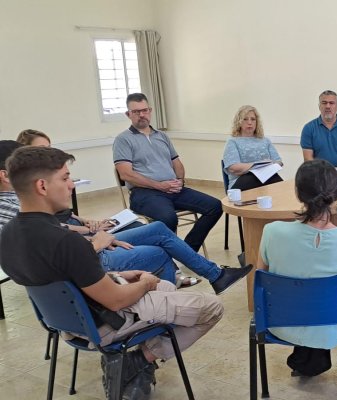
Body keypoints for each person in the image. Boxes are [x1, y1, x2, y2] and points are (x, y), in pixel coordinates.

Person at [0, 146, 224, 399]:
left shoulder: (8, 235)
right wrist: (147, 282)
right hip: (104, 324)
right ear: (42, 186)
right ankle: (139, 360)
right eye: (64, 178)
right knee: (211, 306)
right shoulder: (66, 242)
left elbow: (65, 279)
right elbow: (117, 300)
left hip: (65, 322)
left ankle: (135, 366)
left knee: (168, 288)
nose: (71, 185)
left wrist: (120, 277)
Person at [1, 138, 251, 293]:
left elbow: (56, 232)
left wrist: (90, 228)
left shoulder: (22, 219)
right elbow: (62, 242)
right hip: (94, 263)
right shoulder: (26, 218)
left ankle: (213, 276)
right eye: (65, 178)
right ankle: (162, 322)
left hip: (78, 272)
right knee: (160, 249)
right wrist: (95, 240)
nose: (72, 184)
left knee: (159, 231)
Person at [256, 159, 337, 376]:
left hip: (281, 322)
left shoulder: (271, 232)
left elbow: (262, 279)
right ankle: (311, 358)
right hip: (336, 324)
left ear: (299, 193)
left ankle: (306, 358)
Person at [113, 93, 223, 253]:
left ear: (150, 110)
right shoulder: (123, 140)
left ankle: (187, 250)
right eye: (136, 112)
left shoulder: (162, 136)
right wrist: (159, 186)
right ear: (128, 114)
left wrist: (180, 180)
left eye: (144, 110)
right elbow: (126, 174)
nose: (141, 115)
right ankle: (167, 260)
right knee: (168, 217)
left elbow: (176, 163)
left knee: (215, 206)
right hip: (144, 193)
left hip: (172, 189)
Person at [222, 105, 283, 190]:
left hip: (265, 180)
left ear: (257, 122)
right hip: (240, 182)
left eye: (253, 119)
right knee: (255, 176)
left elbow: (279, 162)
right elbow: (233, 168)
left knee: (275, 179)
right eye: (245, 119)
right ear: (239, 122)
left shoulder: (265, 140)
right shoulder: (233, 141)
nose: (250, 122)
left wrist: (268, 167)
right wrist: (257, 166)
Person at [301, 90, 337, 167]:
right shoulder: (309, 128)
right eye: (324, 103)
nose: (328, 106)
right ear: (319, 106)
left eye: (331, 103)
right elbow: (307, 158)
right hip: (319, 174)